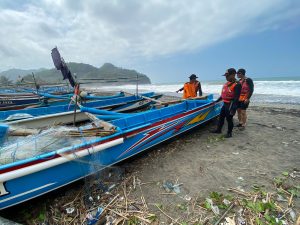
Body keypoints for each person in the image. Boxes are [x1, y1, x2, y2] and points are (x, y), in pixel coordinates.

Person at [211, 68, 241, 138]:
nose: (226, 77)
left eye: (227, 76)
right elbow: (223, 95)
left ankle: (229, 133)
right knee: (221, 117)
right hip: (225, 104)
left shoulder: (237, 84)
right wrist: (217, 101)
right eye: (225, 76)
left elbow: (236, 98)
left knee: (229, 119)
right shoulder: (227, 83)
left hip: (231, 104)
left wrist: (233, 109)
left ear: (233, 74)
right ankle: (218, 130)